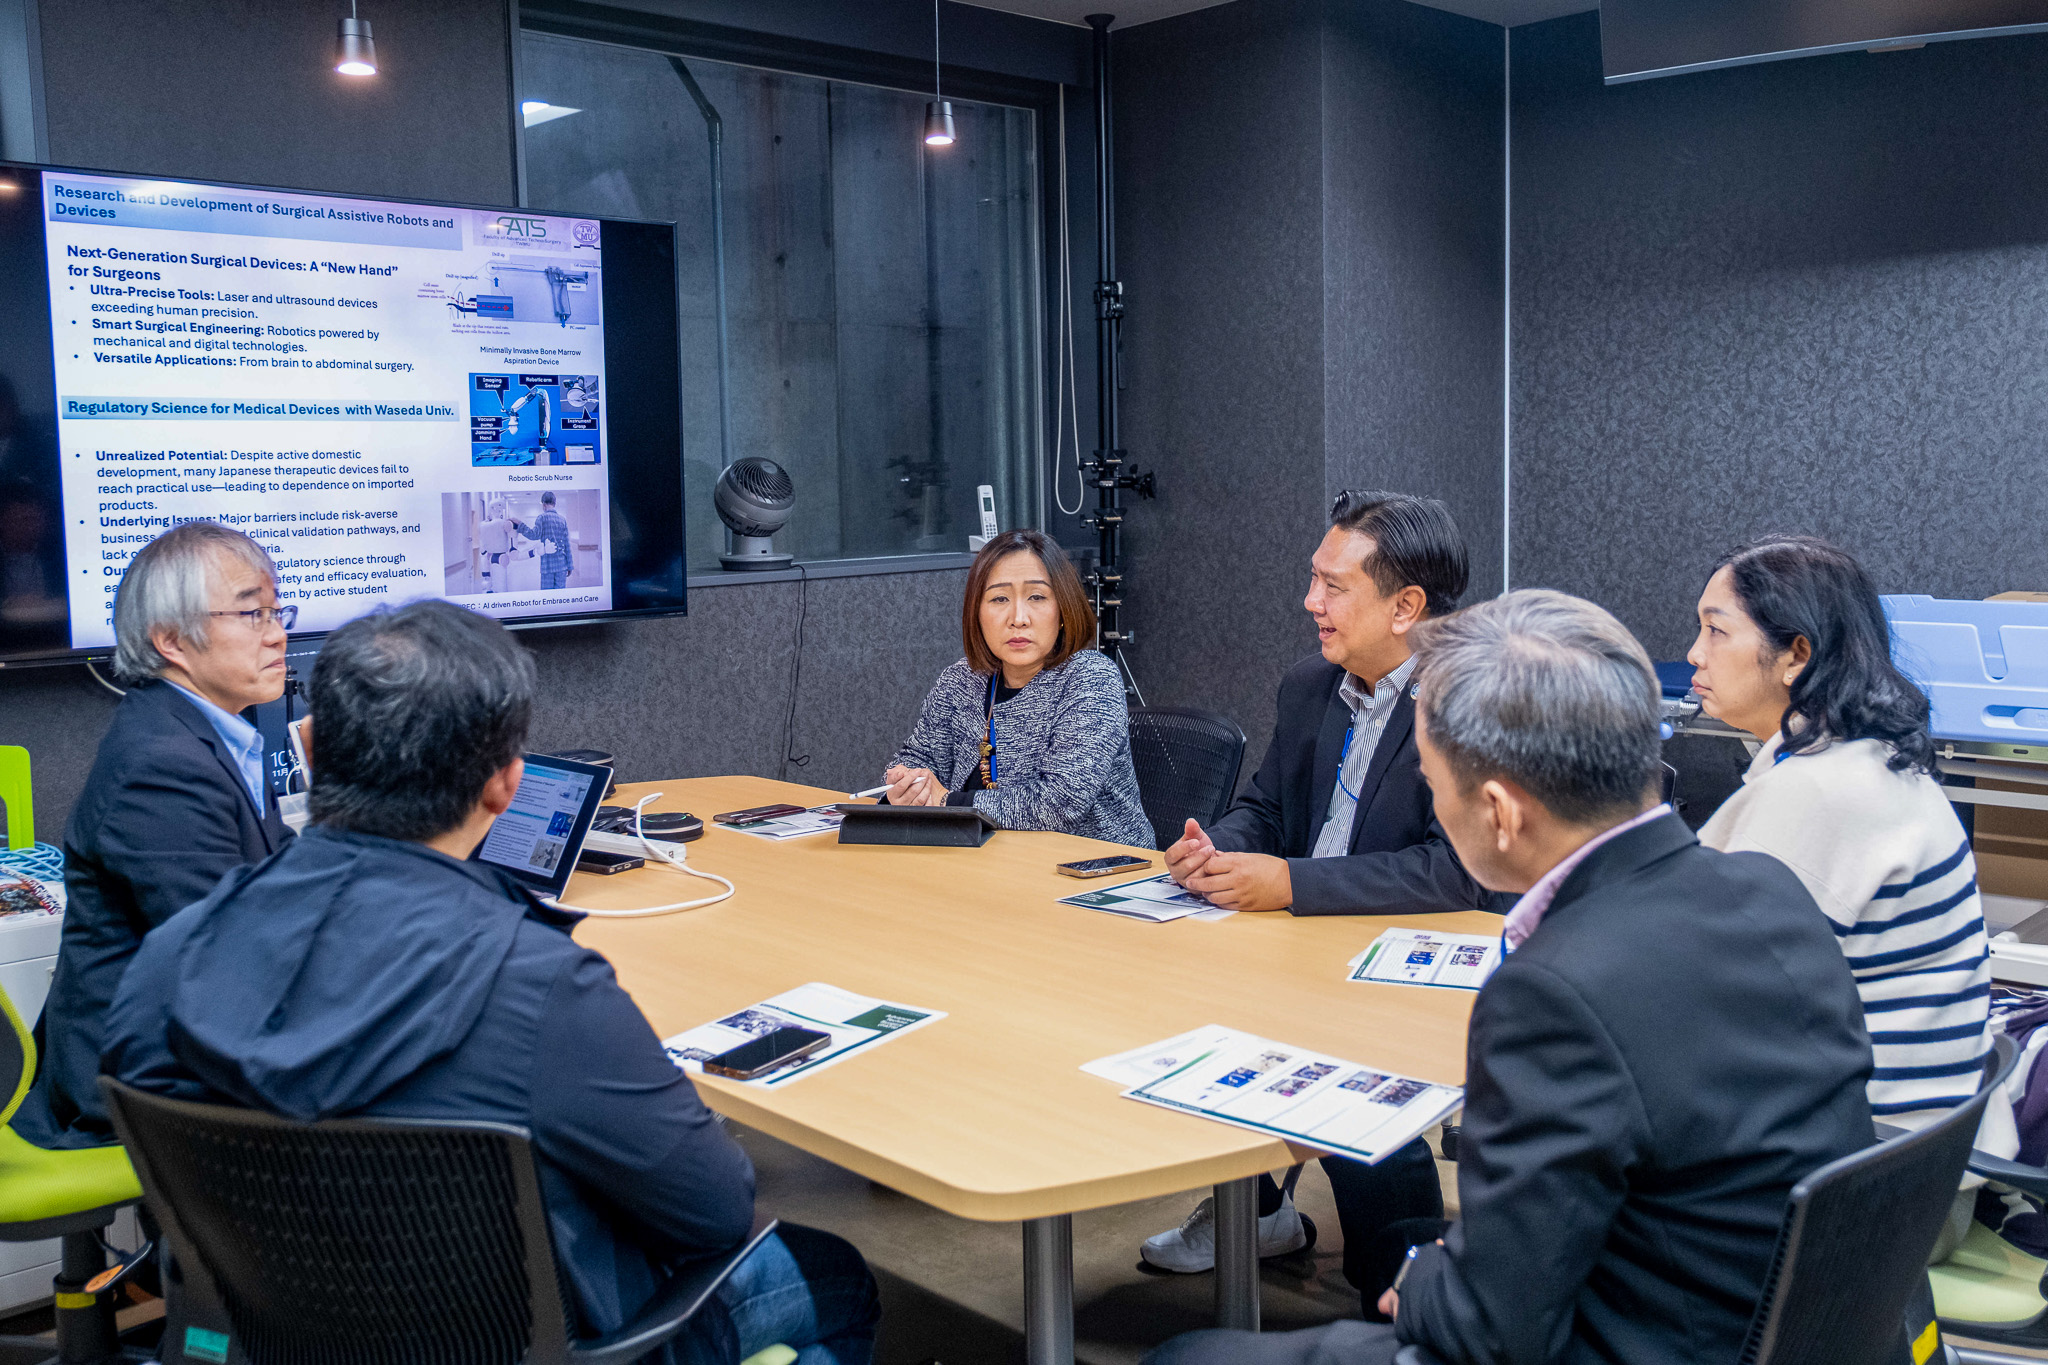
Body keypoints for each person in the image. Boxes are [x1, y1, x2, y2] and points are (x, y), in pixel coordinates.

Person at [102, 599, 880, 1365]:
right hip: (550, 1344)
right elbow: (714, 1212)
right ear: (507, 784)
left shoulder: (170, 956)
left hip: (270, 1336)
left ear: (309, 748)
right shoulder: (539, 984)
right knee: (837, 1276)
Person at [1146, 590, 1875, 1365]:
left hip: (1637, 1340)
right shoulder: (1768, 888)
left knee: (1184, 1355)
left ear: (1499, 810)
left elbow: (1489, 1331)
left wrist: (1425, 1282)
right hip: (1784, 1324)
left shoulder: (1553, 991)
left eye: (1432, 782)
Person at [1140, 492, 1499, 1289]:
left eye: (1334, 586)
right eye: (1313, 579)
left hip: (1406, 958)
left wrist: (1289, 883)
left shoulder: (1471, 700)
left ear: (1406, 606)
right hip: (1299, 935)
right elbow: (1266, 806)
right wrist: (1215, 848)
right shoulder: (1311, 684)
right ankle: (1257, 1207)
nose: (1311, 603)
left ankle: (1397, 1277)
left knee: (1354, 1094)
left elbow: (1456, 872)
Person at [1689, 535, 2012, 1256]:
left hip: (1867, 1191)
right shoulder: (1855, 756)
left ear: (1796, 654)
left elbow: (1704, 993)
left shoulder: (1821, 791)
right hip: (1911, 1164)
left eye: (1716, 629)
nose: (1694, 652)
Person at [13, 521, 294, 1149]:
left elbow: (273, 888)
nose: (278, 633)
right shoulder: (163, 764)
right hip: (146, 1082)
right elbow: (234, 953)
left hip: (186, 1042)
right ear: (171, 640)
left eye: (277, 610)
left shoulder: (211, 735)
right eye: (252, 613)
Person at [884, 528, 1150, 845]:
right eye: (999, 599)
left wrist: (946, 802)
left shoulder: (1090, 677)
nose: (1018, 618)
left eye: (1037, 597)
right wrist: (905, 783)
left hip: (1091, 871)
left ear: (1063, 610)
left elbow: (1060, 803)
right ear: (977, 614)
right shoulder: (961, 680)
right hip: (983, 861)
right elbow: (920, 758)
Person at [519, 489, 573, 590]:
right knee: (560, 596)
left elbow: (533, 535)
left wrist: (520, 526)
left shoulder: (541, 518)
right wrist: (570, 565)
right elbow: (567, 545)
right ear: (554, 503)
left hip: (547, 567)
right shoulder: (562, 520)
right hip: (562, 566)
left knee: (547, 596)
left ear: (543, 504)